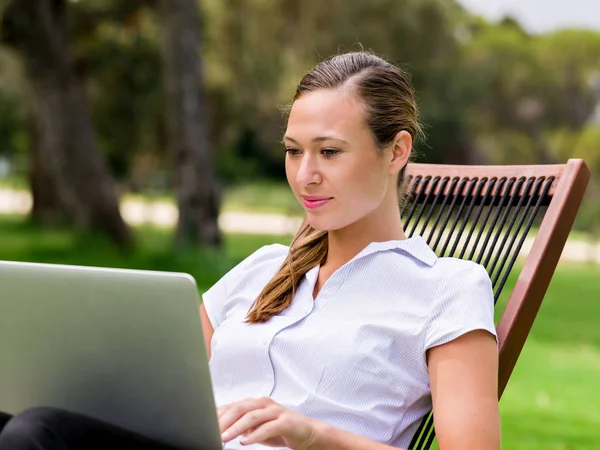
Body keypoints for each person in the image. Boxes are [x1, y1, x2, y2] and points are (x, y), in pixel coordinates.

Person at [0, 51, 500, 450]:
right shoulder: (263, 267)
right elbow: (156, 384)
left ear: (396, 151)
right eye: (292, 150)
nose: (305, 175)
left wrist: (310, 434)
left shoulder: (447, 288)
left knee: (35, 433)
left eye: (329, 152)